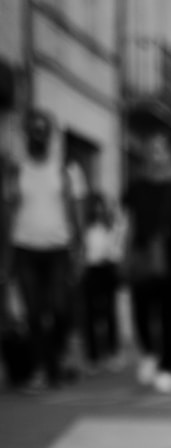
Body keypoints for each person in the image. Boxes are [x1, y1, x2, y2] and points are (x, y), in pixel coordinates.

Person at [122, 131, 171, 394]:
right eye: (152, 149)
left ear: (170, 155)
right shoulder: (136, 188)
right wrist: (125, 255)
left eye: (161, 150)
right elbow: (129, 225)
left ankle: (167, 367)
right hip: (143, 254)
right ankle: (149, 353)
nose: (156, 155)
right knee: (141, 309)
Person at [7, 109, 80, 391]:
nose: (38, 136)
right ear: (27, 135)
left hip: (58, 248)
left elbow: (73, 212)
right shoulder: (17, 171)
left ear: (50, 136)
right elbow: (10, 212)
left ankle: (57, 359)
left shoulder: (63, 171)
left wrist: (78, 247)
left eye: (42, 131)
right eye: (33, 131)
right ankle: (41, 368)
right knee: (34, 312)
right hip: (24, 247)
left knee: (60, 309)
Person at [80, 191, 123, 373]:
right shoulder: (85, 227)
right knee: (90, 314)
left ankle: (112, 353)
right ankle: (93, 356)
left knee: (110, 313)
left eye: (100, 205)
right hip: (90, 270)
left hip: (108, 269)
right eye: (94, 205)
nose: (98, 209)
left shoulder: (111, 226)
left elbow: (117, 249)